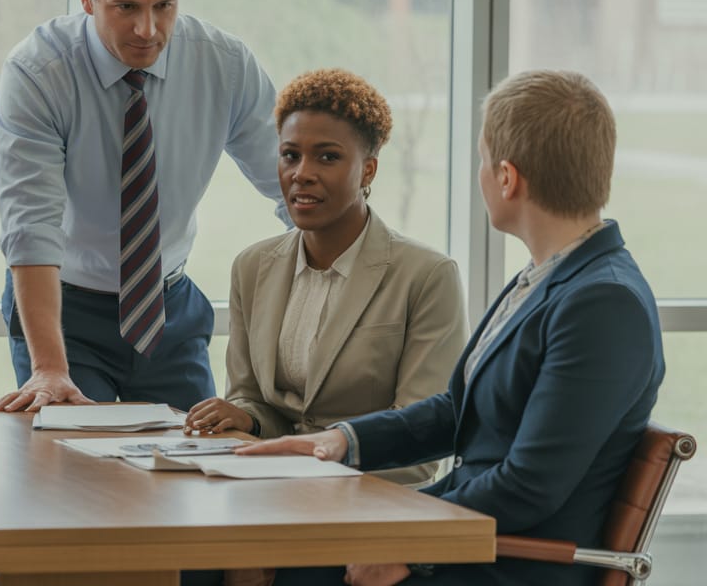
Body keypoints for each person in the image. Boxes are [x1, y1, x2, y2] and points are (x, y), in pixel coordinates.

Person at [241, 70, 665, 586]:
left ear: (507, 178)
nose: (481, 177)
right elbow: (455, 410)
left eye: (483, 162)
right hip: (472, 539)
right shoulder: (551, 277)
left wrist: (409, 543)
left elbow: (529, 487)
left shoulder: (603, 303)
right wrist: (339, 442)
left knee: (293, 569)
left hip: (510, 563)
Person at [0, 0, 288, 415]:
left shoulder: (224, 65)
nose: (148, 30)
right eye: (125, 7)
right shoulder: (39, 73)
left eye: (164, 6)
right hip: (67, 313)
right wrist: (50, 368)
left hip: (169, 311)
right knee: (78, 472)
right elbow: (31, 227)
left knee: (193, 466)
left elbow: (292, 183)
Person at [185, 68, 466, 488]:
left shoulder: (427, 276)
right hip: (272, 490)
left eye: (328, 157)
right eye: (290, 155)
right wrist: (245, 417)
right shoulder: (252, 267)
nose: (302, 173)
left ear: (368, 170)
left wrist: (309, 465)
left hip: (371, 500)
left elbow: (421, 442)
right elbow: (256, 401)